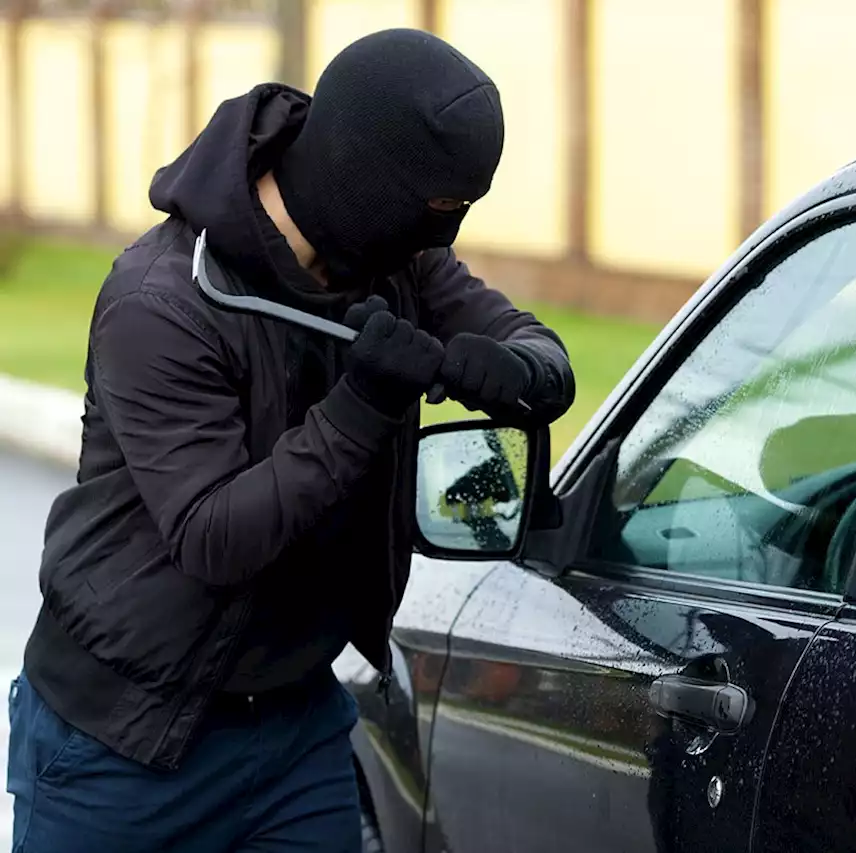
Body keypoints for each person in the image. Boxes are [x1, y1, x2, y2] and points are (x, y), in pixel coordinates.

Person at [5, 27, 574, 853]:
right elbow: (213, 534)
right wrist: (363, 402)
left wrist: (514, 371)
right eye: (439, 211)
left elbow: (544, 351)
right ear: (365, 179)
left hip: (292, 727)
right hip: (121, 742)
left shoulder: (397, 261)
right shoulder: (162, 302)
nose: (442, 240)